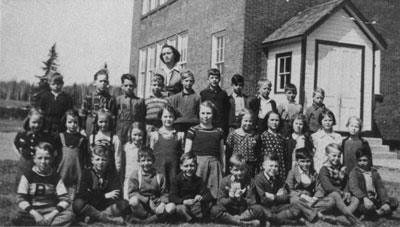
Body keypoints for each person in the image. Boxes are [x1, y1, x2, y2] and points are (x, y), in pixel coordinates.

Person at [11, 142, 74, 226]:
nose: (43, 162)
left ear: (52, 159)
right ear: (34, 159)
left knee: (70, 216)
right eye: (40, 158)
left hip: (49, 210)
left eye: (47, 158)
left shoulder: (55, 176)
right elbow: (20, 199)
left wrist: (51, 215)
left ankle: (39, 224)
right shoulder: (28, 175)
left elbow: (65, 199)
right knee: (15, 216)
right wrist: (35, 214)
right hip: (32, 211)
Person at [73, 144, 130, 225]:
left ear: (108, 161)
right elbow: (82, 194)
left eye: (103, 160)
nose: (100, 162)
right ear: (92, 160)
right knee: (77, 204)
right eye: (97, 159)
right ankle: (106, 218)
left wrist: (92, 195)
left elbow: (116, 194)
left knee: (125, 205)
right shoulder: (86, 173)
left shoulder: (112, 173)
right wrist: (104, 196)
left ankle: (94, 216)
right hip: (91, 206)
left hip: (107, 206)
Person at [184, 101, 225, 199]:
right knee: (198, 192)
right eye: (203, 113)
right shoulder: (193, 130)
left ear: (213, 114)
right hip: (198, 165)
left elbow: (222, 152)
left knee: (214, 193)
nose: (205, 116)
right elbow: (187, 152)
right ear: (198, 114)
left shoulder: (219, 131)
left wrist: (223, 168)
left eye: (208, 113)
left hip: (214, 165)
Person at [211, 153, 265, 226]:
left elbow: (252, 201)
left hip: (244, 211)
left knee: (258, 209)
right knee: (214, 210)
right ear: (231, 170)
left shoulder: (250, 181)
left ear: (245, 169)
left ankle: (233, 220)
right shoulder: (224, 181)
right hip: (229, 210)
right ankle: (244, 223)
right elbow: (220, 202)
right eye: (236, 170)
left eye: (242, 169)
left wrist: (241, 198)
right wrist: (230, 198)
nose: (239, 173)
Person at [127, 147, 176, 223]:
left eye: (149, 160)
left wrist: (162, 204)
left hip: (156, 205)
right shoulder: (135, 175)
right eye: (143, 161)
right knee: (133, 201)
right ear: (138, 161)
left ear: (153, 161)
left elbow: (164, 193)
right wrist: (147, 201)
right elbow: (132, 193)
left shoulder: (160, 176)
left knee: (172, 206)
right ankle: (153, 219)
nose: (146, 163)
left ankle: (145, 221)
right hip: (142, 206)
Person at [319, 143, 364, 226]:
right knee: (335, 195)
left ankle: (340, 218)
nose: (336, 158)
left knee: (356, 198)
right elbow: (327, 187)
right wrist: (341, 192)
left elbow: (346, 181)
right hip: (329, 196)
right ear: (327, 155)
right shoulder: (324, 169)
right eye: (334, 156)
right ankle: (353, 220)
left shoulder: (341, 168)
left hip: (341, 196)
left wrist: (346, 191)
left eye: (339, 156)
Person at [286, 148, 335, 223]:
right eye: (302, 161)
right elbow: (288, 189)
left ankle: (303, 211)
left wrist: (314, 198)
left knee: (331, 201)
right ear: (297, 161)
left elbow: (320, 188)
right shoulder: (292, 172)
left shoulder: (313, 172)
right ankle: (317, 215)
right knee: (295, 201)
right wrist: (302, 195)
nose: (305, 164)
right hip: (298, 198)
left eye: (308, 161)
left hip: (310, 199)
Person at [349, 147, 398, 220]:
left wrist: (386, 202)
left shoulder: (374, 172)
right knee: (366, 208)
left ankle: (376, 213)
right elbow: (354, 188)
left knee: (394, 202)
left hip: (375, 199)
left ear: (369, 160)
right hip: (364, 200)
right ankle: (380, 212)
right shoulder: (354, 172)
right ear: (357, 161)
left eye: (365, 160)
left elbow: (380, 188)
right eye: (360, 160)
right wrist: (364, 198)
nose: (362, 163)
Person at [254, 153, 303, 226]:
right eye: (271, 166)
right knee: (261, 212)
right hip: (265, 207)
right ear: (264, 166)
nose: (273, 169)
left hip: (278, 207)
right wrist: (278, 197)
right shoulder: (259, 179)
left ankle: (276, 220)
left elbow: (286, 196)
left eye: (276, 166)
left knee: (297, 208)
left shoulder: (278, 178)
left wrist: (274, 197)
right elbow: (262, 199)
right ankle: (286, 220)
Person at [13, 108, 54, 186]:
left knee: (36, 183)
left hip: (39, 164)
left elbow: (51, 150)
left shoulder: (45, 137)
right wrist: (19, 156)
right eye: (34, 122)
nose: (36, 125)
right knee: (21, 182)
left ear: (43, 123)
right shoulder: (23, 134)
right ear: (28, 120)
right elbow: (15, 145)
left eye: (39, 123)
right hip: (24, 162)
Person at [169, 152, 213, 222]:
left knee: (208, 205)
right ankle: (192, 219)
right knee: (180, 208)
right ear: (181, 166)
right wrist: (183, 201)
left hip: (194, 205)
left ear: (196, 166)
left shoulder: (198, 180)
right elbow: (172, 197)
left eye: (192, 166)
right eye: (186, 166)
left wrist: (201, 197)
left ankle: (191, 217)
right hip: (183, 205)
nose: (189, 169)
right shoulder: (176, 180)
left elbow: (209, 194)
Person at [55, 109, 88, 201]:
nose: (73, 125)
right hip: (63, 169)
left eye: (75, 122)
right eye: (70, 122)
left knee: (75, 192)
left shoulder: (82, 139)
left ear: (79, 123)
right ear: (65, 123)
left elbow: (85, 157)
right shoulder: (60, 137)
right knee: (60, 190)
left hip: (77, 171)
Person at [149, 105, 184, 190]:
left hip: (174, 170)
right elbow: (151, 154)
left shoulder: (179, 135)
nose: (168, 119)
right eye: (165, 116)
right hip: (159, 170)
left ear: (174, 118)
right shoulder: (155, 135)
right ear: (160, 118)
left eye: (171, 117)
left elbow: (182, 154)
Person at [79, 68, 117, 137]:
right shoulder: (88, 97)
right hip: (90, 127)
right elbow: (82, 115)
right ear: (95, 83)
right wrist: (82, 129)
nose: (103, 83)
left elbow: (113, 117)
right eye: (101, 81)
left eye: (105, 81)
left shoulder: (110, 99)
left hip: (105, 129)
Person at [37, 72, 74, 136]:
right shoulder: (45, 97)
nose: (56, 86)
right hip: (46, 126)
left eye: (58, 84)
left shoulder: (67, 98)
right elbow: (40, 110)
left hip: (61, 126)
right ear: (49, 84)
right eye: (53, 84)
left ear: (62, 84)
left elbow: (70, 112)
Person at [226, 108, 260, 177]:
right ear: (240, 120)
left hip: (251, 166)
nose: (248, 123)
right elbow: (228, 152)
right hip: (237, 166)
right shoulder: (233, 134)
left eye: (250, 121)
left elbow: (257, 153)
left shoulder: (256, 135)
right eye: (245, 121)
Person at [89, 109, 122, 176]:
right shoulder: (92, 138)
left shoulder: (114, 138)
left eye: (106, 122)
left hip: (110, 173)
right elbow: (90, 154)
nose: (103, 124)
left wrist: (117, 171)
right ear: (96, 122)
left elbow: (118, 156)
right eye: (101, 122)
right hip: (95, 172)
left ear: (109, 122)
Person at [116, 74, 146, 145]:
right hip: (121, 130)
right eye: (126, 85)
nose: (128, 88)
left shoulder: (140, 101)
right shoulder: (119, 99)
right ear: (122, 86)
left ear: (135, 86)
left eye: (131, 85)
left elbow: (142, 118)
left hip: (135, 129)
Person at [200, 68, 230, 136]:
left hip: (220, 124)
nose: (214, 80)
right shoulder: (203, 93)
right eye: (212, 78)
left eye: (216, 78)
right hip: (207, 122)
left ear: (219, 79)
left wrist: (224, 125)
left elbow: (226, 111)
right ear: (208, 79)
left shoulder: (223, 94)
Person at [260, 111, 288, 180]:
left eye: (276, 120)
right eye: (272, 120)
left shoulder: (282, 137)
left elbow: (284, 154)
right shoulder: (263, 136)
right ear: (267, 121)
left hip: (279, 167)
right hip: (267, 167)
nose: (274, 122)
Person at [122, 122, 146, 199]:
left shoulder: (144, 149)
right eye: (135, 135)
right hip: (128, 178)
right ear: (130, 134)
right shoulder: (125, 147)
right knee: (127, 200)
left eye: (140, 135)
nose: (137, 138)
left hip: (140, 179)